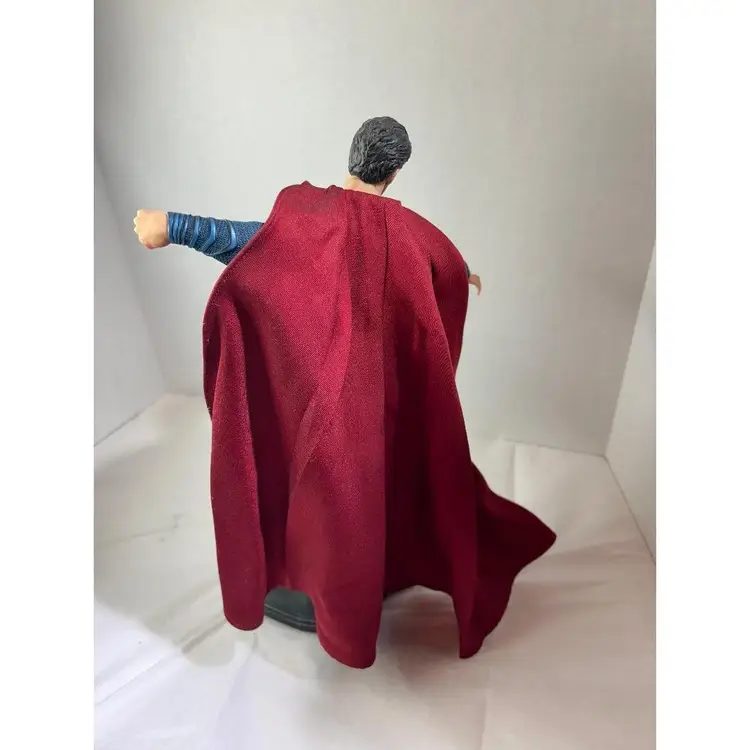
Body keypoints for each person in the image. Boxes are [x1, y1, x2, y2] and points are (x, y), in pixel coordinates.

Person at [133, 117, 554, 668]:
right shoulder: (414, 235)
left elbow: (249, 242)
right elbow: (442, 265)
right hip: (362, 421)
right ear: (395, 173)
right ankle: (331, 594)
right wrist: (462, 274)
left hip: (311, 410)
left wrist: (174, 225)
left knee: (329, 508)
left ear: (352, 157)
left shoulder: (304, 214)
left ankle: (336, 598)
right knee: (345, 506)